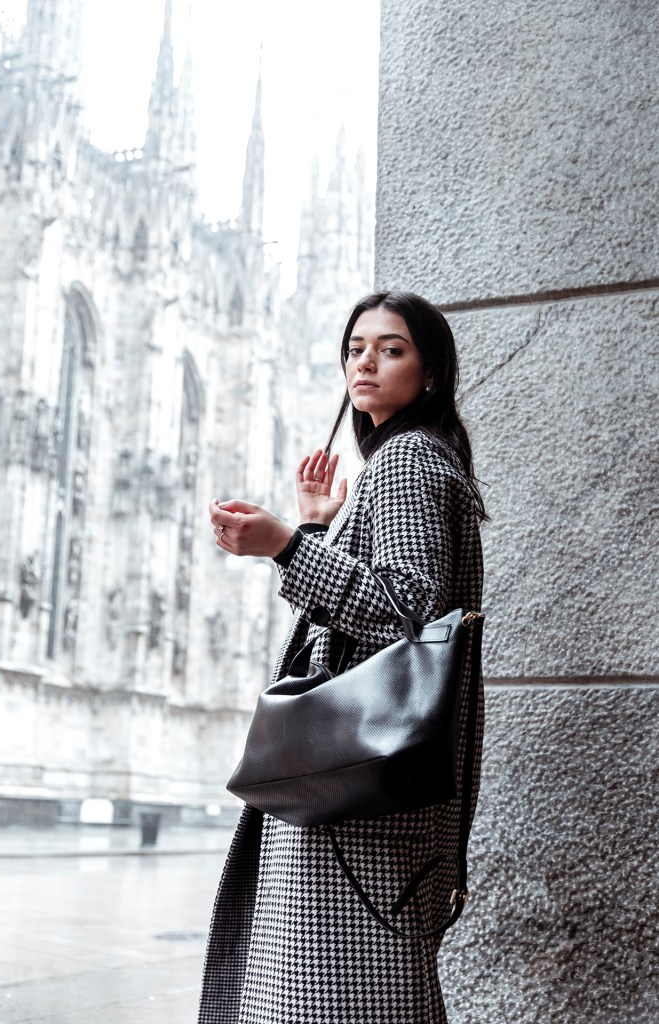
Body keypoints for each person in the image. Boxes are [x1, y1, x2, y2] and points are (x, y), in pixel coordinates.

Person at [200, 291, 486, 1024]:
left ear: (429, 372)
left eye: (391, 349)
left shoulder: (407, 459)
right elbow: (370, 614)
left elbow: (406, 612)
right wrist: (316, 530)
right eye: (356, 348)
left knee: (336, 998)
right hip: (370, 788)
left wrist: (283, 546)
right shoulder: (415, 458)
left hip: (358, 806)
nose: (365, 362)